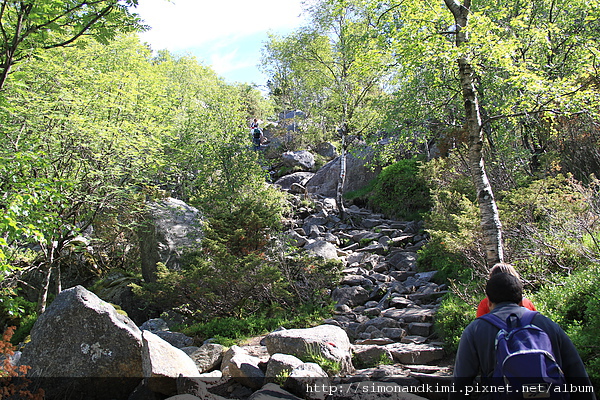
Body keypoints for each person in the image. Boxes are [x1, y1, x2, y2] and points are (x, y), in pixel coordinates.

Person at [451, 273, 596, 400]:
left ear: (488, 301)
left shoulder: (475, 330)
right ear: (521, 300)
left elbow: (461, 383)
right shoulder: (548, 325)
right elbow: (577, 374)